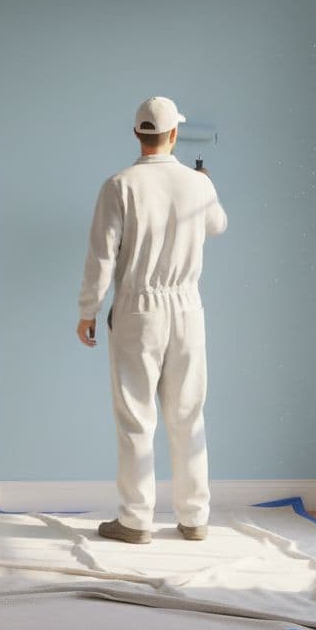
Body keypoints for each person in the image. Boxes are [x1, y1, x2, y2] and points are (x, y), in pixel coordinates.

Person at [77, 96, 227, 544]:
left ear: (137, 134)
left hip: (137, 310)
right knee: (188, 415)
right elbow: (217, 225)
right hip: (187, 309)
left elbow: (102, 256)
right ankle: (194, 518)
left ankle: (136, 520)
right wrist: (205, 186)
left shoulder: (119, 185)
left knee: (136, 418)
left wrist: (88, 310)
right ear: (174, 133)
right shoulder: (198, 185)